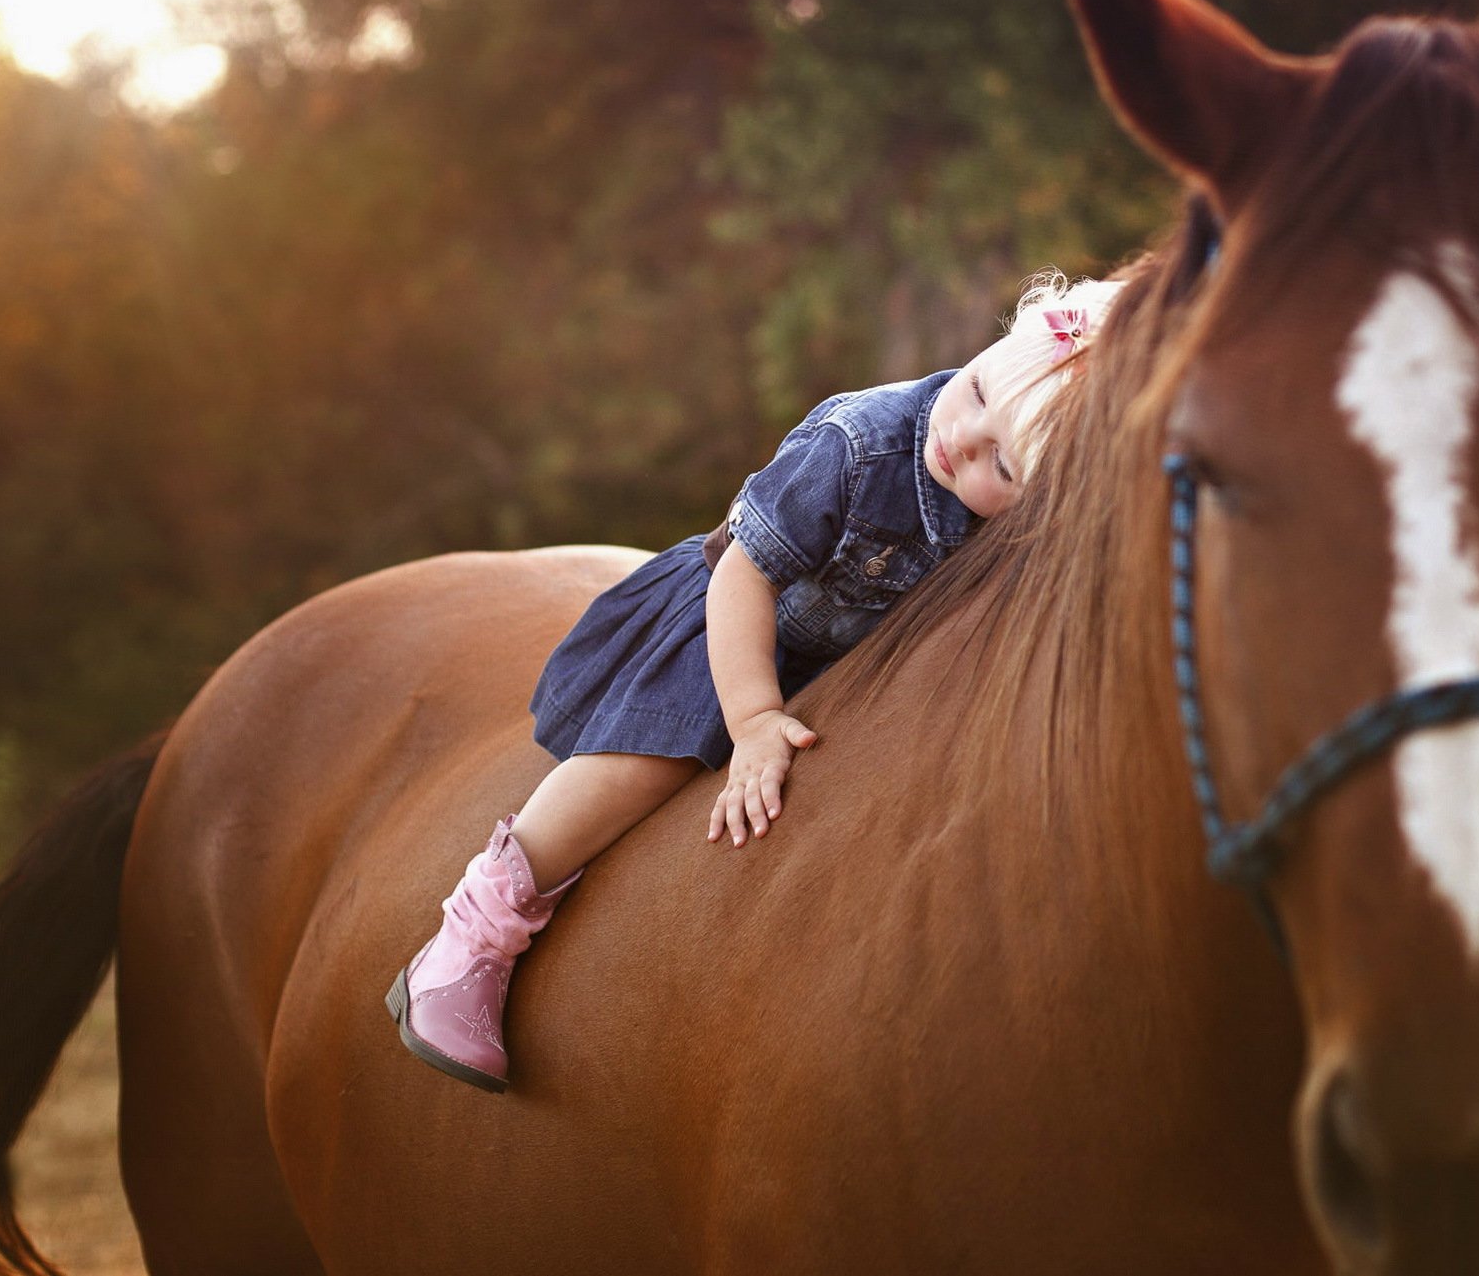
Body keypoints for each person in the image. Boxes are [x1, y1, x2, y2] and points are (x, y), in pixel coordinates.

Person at [384, 273, 1125, 1093]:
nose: (966, 437)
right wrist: (753, 715)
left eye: (1004, 464)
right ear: (997, 339)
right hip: (729, 628)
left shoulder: (1004, 521)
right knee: (644, 766)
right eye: (980, 390)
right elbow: (744, 577)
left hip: (841, 666)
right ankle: (471, 940)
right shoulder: (859, 443)